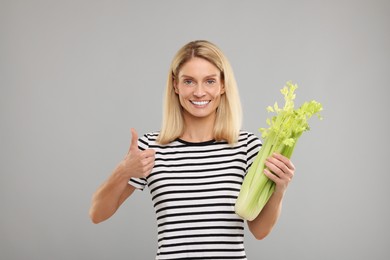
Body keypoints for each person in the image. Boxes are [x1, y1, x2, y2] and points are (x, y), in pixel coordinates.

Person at [89, 40, 295, 259]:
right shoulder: (149, 148)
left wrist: (279, 190)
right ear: (175, 85)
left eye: (209, 81)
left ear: (222, 85)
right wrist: (124, 170)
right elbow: (97, 214)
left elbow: (260, 231)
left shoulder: (246, 147)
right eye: (189, 81)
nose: (199, 92)